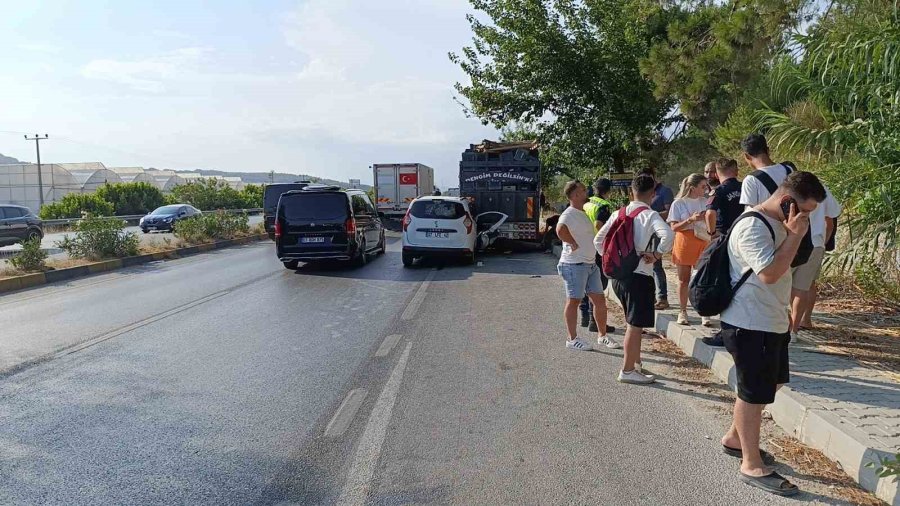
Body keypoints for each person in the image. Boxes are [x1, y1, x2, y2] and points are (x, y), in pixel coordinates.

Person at [719, 171, 825, 497]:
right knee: (753, 394)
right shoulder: (753, 225)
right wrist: (794, 234)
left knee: (770, 384)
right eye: (804, 210)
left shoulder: (779, 224)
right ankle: (750, 463)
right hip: (749, 324)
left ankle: (736, 438)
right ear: (787, 201)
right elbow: (770, 273)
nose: (806, 218)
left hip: (771, 321)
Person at [595, 174, 674, 384]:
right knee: (635, 325)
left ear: (631, 191)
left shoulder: (618, 213)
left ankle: (636, 364)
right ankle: (628, 370)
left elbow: (598, 240)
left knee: (632, 321)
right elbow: (668, 236)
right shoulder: (651, 215)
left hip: (618, 277)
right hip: (639, 276)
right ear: (653, 193)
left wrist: (614, 258)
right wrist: (657, 254)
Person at [556, 181, 618, 351]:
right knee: (574, 301)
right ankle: (572, 339)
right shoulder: (568, 214)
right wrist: (572, 243)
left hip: (590, 264)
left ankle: (602, 336)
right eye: (583, 190)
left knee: (599, 300)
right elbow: (560, 230)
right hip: (574, 265)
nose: (587, 192)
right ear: (575, 195)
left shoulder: (583, 211)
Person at [789, 185, 841, 341]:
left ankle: (782, 327)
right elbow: (830, 220)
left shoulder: (789, 187)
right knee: (803, 287)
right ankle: (795, 330)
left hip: (793, 240)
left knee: (782, 286)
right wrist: (822, 243)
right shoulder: (822, 189)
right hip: (816, 243)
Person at [702, 158, 744, 345]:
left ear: (717, 173)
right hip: (745, 239)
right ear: (736, 170)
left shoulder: (718, 191)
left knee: (723, 282)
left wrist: (712, 233)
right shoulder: (745, 187)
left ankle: (726, 331)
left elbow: (710, 213)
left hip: (725, 240)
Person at [667, 173, 711, 326]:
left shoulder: (705, 201)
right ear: (692, 188)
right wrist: (690, 219)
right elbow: (673, 226)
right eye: (702, 186)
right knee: (683, 280)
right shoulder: (678, 203)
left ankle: (704, 312)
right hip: (685, 241)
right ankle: (683, 311)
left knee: (702, 279)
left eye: (706, 186)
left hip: (703, 240)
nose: (705, 189)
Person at [580, 178, 616, 336]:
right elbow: (598, 225)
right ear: (607, 191)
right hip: (597, 250)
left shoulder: (586, 203)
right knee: (598, 285)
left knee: (585, 283)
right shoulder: (603, 205)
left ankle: (585, 317)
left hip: (584, 248)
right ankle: (595, 322)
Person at [640, 168, 674, 310]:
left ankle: (662, 298)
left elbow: (669, 212)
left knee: (657, 265)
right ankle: (650, 296)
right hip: (645, 232)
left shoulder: (665, 191)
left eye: (648, 177)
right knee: (645, 264)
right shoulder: (642, 191)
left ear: (654, 177)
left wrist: (651, 216)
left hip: (658, 233)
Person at [739, 133, 793, 207]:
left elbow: (750, 215)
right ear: (768, 150)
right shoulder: (789, 169)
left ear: (746, 156)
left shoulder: (751, 181)